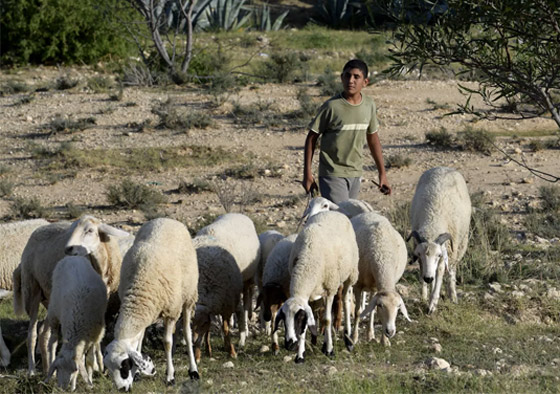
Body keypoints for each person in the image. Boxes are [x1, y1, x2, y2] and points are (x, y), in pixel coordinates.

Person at [302, 59, 392, 204]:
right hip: (332, 173)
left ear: (365, 82)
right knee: (340, 215)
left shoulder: (369, 105)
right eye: (347, 76)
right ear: (341, 78)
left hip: (356, 173)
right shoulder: (331, 106)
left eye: (356, 77)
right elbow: (312, 137)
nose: (351, 80)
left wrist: (382, 174)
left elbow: (373, 139)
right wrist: (307, 174)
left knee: (349, 219)